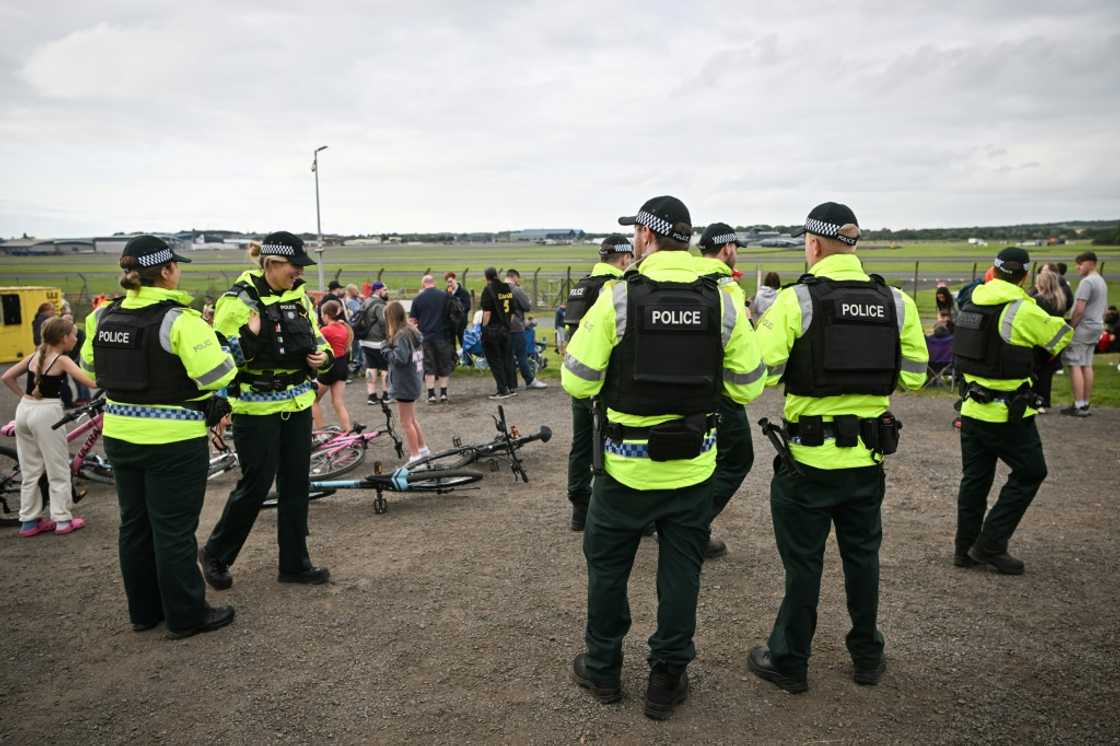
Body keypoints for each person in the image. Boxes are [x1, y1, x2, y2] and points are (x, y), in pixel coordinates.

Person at [563, 196, 765, 720]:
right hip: (694, 469)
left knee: (607, 568)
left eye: (636, 234)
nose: (633, 242)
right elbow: (748, 385)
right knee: (681, 573)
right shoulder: (723, 298)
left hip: (624, 471)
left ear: (647, 237)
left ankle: (603, 669)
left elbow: (577, 380)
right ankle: (667, 678)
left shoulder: (618, 298)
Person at [747, 202, 928, 695]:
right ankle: (867, 655)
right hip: (867, 462)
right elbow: (913, 376)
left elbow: (760, 373)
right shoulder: (896, 302)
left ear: (813, 243)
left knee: (804, 564)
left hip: (807, 463)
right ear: (853, 243)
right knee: (863, 558)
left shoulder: (795, 301)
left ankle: (790, 661)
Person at [79, 235, 238, 637]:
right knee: (173, 529)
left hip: (118, 434)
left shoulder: (101, 317)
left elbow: (91, 366)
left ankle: (144, 612)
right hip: (173, 440)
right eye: (176, 265)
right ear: (166, 271)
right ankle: (186, 614)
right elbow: (218, 375)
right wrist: (224, 349)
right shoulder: (179, 320)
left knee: (134, 525)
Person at [199, 231, 335, 592]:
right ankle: (215, 553)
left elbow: (318, 337)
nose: (299, 273)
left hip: (298, 403)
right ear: (273, 264)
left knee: (296, 484)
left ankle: (294, 563)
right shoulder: (236, 301)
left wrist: (323, 358)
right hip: (255, 408)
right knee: (256, 485)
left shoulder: (299, 296)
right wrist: (250, 336)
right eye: (294, 266)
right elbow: (222, 358)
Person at [952, 247, 1073, 574]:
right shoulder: (1023, 309)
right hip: (1008, 414)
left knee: (975, 481)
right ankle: (990, 545)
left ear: (993, 272)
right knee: (1031, 471)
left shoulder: (972, 302)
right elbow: (1061, 336)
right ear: (1024, 276)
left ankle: (964, 549)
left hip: (971, 409)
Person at [562, 234, 633, 532]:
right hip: (609, 381)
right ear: (625, 258)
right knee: (615, 440)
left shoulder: (580, 285)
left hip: (580, 376)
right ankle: (616, 509)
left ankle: (580, 506)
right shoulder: (616, 287)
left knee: (581, 441)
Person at [1, 316, 96, 537]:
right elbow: (91, 383)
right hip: (47, 412)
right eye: (73, 334)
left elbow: (7, 377)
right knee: (58, 467)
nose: (75, 338)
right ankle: (62, 520)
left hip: (25, 409)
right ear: (64, 338)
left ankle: (29, 521)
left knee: (30, 469)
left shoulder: (35, 355)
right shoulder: (61, 360)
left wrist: (23, 397)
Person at [694, 222, 755, 560]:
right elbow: (743, 359)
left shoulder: (687, 277)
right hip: (721, 394)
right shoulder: (726, 288)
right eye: (736, 248)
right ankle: (693, 526)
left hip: (684, 389)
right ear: (727, 248)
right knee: (737, 458)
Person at [383, 301, 430, 463]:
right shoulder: (411, 331)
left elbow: (399, 359)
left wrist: (385, 348)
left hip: (405, 384)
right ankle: (423, 449)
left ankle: (415, 456)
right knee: (412, 419)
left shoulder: (401, 335)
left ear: (391, 318)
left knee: (405, 423)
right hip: (413, 381)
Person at [1062, 250, 1107, 416]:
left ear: (1090, 263)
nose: (1077, 267)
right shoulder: (1101, 280)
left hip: (1083, 327)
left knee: (1074, 364)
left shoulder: (1087, 282)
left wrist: (1071, 327)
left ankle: (1079, 405)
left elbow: (1079, 309)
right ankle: (1085, 402)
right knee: (1087, 364)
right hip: (1096, 326)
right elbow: (1104, 308)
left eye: (1080, 264)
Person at [409, 274, 454, 404]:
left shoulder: (418, 299)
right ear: (434, 283)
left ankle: (431, 395)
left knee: (429, 366)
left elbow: (412, 321)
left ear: (423, 284)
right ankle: (444, 393)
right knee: (444, 365)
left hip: (426, 337)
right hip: (443, 336)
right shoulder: (444, 296)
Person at [1028, 269, 1068, 411]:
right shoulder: (1060, 300)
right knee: (1047, 373)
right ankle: (1044, 400)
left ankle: (1035, 400)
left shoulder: (1038, 301)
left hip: (1040, 340)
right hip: (1054, 340)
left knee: (1036, 372)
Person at [312, 299, 353, 433]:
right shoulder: (344, 328)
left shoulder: (325, 330)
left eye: (322, 314)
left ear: (326, 315)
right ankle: (348, 431)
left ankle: (320, 431)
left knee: (313, 400)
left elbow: (314, 343)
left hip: (330, 366)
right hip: (342, 366)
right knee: (338, 402)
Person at [479, 267, 518, 400]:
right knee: (507, 358)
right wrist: (507, 325)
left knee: (495, 360)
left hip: (493, 331)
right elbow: (512, 312)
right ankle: (511, 386)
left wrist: (483, 328)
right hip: (506, 329)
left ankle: (502, 390)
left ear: (486, 277)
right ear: (497, 275)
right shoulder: (506, 288)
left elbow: (487, 313)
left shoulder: (488, 290)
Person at [506, 269, 547, 390]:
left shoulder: (499, 289)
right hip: (517, 327)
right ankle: (530, 380)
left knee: (507, 357)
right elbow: (527, 306)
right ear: (514, 277)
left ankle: (510, 384)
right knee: (521, 355)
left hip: (503, 327)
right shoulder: (516, 290)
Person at [357, 282, 390, 404]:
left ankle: (371, 395)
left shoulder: (366, 301)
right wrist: (389, 336)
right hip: (378, 341)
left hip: (365, 340)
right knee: (385, 367)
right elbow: (384, 322)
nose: (387, 292)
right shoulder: (380, 304)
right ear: (378, 290)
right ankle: (387, 394)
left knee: (371, 367)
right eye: (385, 289)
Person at [444, 272, 472, 352]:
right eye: (448, 282)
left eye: (451, 281)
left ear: (455, 280)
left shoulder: (463, 292)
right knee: (451, 342)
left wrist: (459, 313)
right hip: (450, 323)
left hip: (461, 322)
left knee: (462, 341)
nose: (449, 284)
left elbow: (467, 306)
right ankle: (454, 361)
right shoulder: (446, 292)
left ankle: (467, 360)